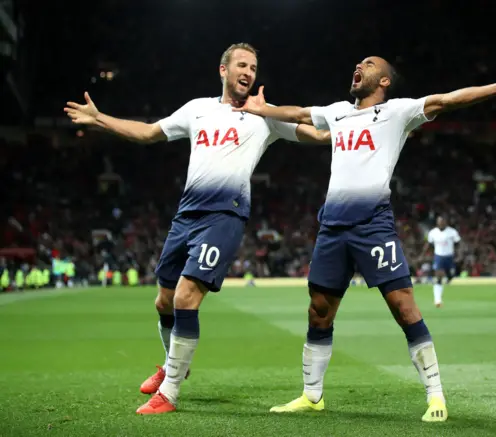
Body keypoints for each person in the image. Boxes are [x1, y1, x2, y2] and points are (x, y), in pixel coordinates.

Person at [236, 57, 496, 422]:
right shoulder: (337, 112)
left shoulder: (398, 112)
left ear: (383, 80)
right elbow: (302, 114)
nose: (358, 64)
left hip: (372, 225)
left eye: (367, 63)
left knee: (404, 308)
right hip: (333, 226)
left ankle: (435, 396)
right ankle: (311, 395)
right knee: (319, 311)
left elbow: (446, 100)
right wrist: (264, 108)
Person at [64, 42, 330, 414]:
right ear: (223, 70)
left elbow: (318, 136)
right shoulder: (197, 109)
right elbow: (147, 133)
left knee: (187, 296)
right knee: (164, 301)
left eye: (253, 68)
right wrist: (99, 119)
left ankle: (169, 392)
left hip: (225, 215)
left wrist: (369, 131)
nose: (249, 73)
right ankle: (174, 365)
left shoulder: (263, 116)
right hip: (185, 215)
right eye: (242, 65)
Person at [425, 216, 460, 307]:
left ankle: (449, 277)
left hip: (449, 256)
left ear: (446, 222)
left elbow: (458, 243)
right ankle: (438, 300)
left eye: (442, 221)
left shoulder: (452, 232)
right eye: (439, 222)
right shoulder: (433, 233)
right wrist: (423, 254)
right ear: (437, 222)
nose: (441, 223)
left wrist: (459, 254)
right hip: (439, 257)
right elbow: (429, 244)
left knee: (451, 275)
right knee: (438, 277)